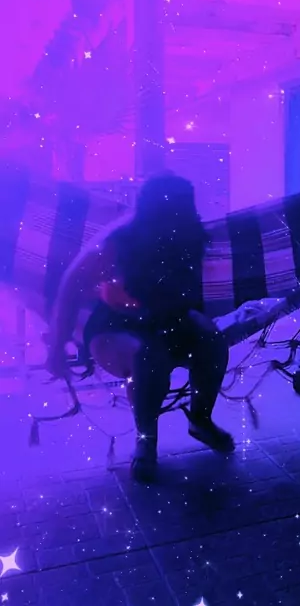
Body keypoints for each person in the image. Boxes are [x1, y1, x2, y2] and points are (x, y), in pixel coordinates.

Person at [47, 172, 234, 483]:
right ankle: (146, 440)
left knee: (212, 340)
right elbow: (71, 284)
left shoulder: (190, 234)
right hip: (115, 325)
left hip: (169, 318)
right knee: (149, 356)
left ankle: (200, 420)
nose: (177, 216)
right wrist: (57, 346)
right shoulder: (121, 238)